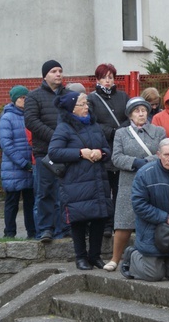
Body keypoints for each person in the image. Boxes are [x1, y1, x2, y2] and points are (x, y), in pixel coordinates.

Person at [48, 92, 113, 270]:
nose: (87, 107)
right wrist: (80, 153)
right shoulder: (64, 128)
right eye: (82, 104)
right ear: (72, 108)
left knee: (99, 218)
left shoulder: (94, 125)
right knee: (79, 220)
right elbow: (54, 152)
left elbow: (107, 148)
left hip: (97, 179)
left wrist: (102, 153)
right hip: (76, 180)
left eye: (86, 104)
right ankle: (81, 257)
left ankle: (95, 256)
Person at [121, 138, 169, 281]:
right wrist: (165, 218)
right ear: (158, 154)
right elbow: (138, 204)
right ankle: (133, 255)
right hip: (150, 230)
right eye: (166, 155)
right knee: (154, 275)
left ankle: (162, 262)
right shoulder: (144, 173)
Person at [106, 97, 166, 272]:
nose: (141, 114)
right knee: (124, 221)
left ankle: (155, 258)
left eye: (144, 110)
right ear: (130, 114)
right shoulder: (121, 133)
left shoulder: (159, 131)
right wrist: (134, 162)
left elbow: (163, 152)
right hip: (128, 182)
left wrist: (146, 161)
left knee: (153, 219)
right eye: (137, 111)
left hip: (153, 180)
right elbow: (116, 157)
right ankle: (115, 258)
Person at [24, 59, 70, 242]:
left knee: (64, 193)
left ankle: (64, 228)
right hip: (45, 153)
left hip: (67, 152)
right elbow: (31, 121)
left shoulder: (69, 95)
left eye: (60, 70)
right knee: (45, 192)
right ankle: (45, 229)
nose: (58, 74)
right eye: (53, 71)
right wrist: (57, 137)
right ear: (45, 75)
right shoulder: (34, 96)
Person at [88, 63, 130, 238]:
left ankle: (120, 223)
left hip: (122, 149)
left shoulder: (123, 96)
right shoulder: (92, 99)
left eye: (110, 77)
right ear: (98, 79)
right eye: (104, 77)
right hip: (103, 148)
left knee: (121, 189)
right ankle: (106, 224)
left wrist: (121, 131)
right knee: (104, 190)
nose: (107, 80)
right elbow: (91, 121)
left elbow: (131, 116)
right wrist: (110, 131)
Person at [0, 85, 36, 239]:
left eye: (26, 97)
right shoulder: (7, 118)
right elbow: (6, 145)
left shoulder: (31, 116)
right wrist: (23, 163)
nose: (24, 100)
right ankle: (9, 232)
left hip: (30, 166)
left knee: (30, 202)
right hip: (14, 168)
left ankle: (32, 232)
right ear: (14, 99)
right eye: (21, 97)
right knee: (12, 201)